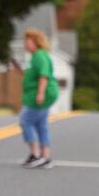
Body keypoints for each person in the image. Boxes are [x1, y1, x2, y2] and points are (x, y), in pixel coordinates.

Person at [20, 28, 59, 169]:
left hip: (42, 94)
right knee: (41, 124)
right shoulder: (37, 56)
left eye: (28, 41)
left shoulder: (39, 56)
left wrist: (40, 94)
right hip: (42, 94)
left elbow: (44, 75)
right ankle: (45, 157)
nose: (25, 44)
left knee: (26, 121)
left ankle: (35, 154)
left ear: (36, 42)